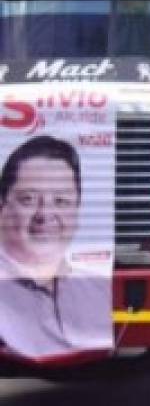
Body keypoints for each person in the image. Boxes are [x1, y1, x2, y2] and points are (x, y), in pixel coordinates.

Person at [0, 136, 112, 359]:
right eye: (28, 199)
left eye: (60, 201)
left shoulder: (100, 289)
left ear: (77, 210)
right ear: (2, 205)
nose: (44, 215)